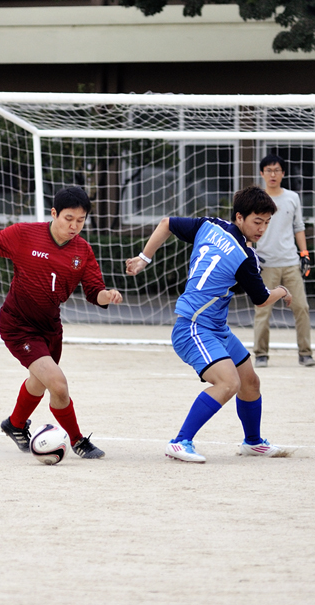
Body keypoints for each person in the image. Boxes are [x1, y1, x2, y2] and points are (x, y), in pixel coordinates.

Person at [125, 187, 293, 463]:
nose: (262, 229)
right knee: (229, 383)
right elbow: (262, 300)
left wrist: (144, 258)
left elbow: (166, 223)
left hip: (215, 327)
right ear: (239, 217)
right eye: (257, 221)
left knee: (250, 381)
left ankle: (252, 442)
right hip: (193, 327)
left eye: (267, 222)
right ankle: (180, 442)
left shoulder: (209, 225)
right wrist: (283, 291)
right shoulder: (245, 257)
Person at [0, 186, 123, 460]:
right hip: (18, 325)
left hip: (50, 327)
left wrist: (107, 295)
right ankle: (78, 440)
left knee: (39, 382)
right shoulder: (24, 234)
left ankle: (14, 424)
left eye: (80, 220)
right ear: (54, 213)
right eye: (68, 218)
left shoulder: (83, 250)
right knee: (58, 384)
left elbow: (94, 292)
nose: (74, 226)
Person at [252, 153, 315, 368]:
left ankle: (305, 353)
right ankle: (261, 354)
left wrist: (304, 254)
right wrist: (250, 255)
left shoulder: (292, 198)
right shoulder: (255, 198)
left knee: (302, 307)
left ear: (283, 173)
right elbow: (248, 229)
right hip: (265, 264)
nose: (273, 174)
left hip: (290, 262)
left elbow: (299, 227)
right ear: (262, 173)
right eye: (268, 170)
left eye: (277, 170)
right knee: (262, 311)